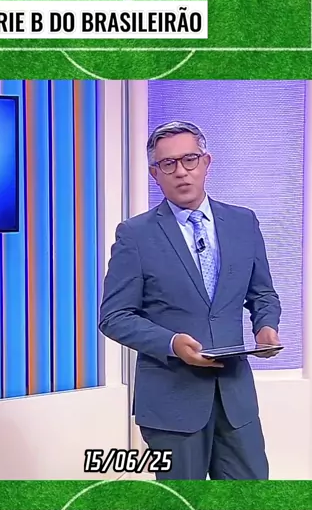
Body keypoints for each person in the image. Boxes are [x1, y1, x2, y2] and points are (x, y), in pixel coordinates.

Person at [99, 121, 281, 480]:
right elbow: (114, 316)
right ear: (155, 174)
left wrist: (266, 326)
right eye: (168, 164)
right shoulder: (135, 235)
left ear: (206, 162)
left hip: (235, 400)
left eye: (190, 159)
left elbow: (262, 293)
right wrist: (171, 343)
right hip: (172, 403)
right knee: (184, 507)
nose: (181, 171)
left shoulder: (243, 222)